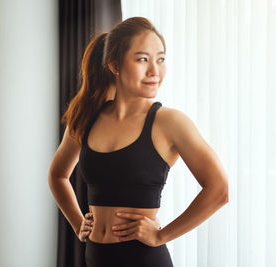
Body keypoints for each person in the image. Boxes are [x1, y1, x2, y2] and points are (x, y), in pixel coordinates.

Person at [48, 16, 229, 267]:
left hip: (143, 260)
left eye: (161, 59)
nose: (155, 71)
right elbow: (57, 176)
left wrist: (161, 235)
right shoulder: (86, 117)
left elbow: (219, 189)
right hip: (95, 258)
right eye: (143, 59)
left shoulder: (170, 122)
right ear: (114, 64)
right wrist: (79, 224)